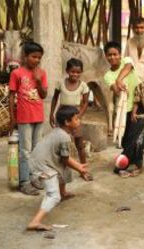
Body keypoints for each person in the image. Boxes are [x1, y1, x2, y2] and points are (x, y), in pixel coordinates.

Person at [27, 106, 91, 231]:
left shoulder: (58, 131)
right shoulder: (64, 137)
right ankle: (35, 221)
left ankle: (63, 193)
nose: (79, 121)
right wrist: (79, 168)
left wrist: (77, 165)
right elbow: (65, 159)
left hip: (39, 160)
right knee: (53, 196)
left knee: (65, 169)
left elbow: (64, 158)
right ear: (67, 122)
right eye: (77, 119)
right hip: (41, 166)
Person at [8, 41, 48, 195]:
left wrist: (38, 81)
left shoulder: (42, 73)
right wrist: (12, 118)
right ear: (25, 57)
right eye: (34, 57)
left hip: (38, 116)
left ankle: (35, 177)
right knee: (25, 151)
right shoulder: (16, 73)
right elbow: (11, 97)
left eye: (39, 57)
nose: (37, 60)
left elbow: (43, 95)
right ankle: (24, 181)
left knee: (37, 150)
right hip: (24, 118)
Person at [50, 58, 93, 181]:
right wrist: (51, 114)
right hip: (61, 115)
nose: (75, 74)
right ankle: (58, 168)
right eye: (72, 72)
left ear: (81, 72)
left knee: (79, 144)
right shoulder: (61, 83)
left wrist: (79, 115)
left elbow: (85, 103)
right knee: (60, 143)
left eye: (78, 72)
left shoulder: (83, 86)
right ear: (67, 71)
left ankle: (83, 170)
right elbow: (54, 98)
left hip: (74, 116)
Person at [103, 41, 142, 176]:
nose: (112, 57)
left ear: (120, 55)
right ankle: (134, 160)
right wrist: (118, 87)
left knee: (133, 137)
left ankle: (121, 164)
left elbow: (128, 67)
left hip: (139, 104)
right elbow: (115, 90)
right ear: (106, 56)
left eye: (115, 54)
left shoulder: (127, 60)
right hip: (123, 109)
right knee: (125, 139)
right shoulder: (107, 75)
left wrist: (119, 79)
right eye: (109, 55)